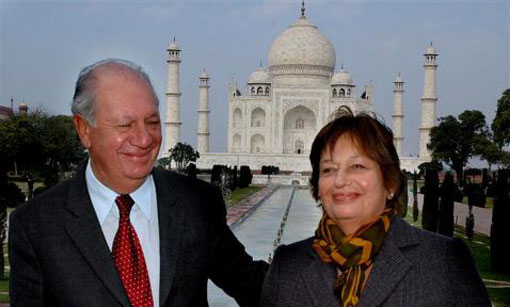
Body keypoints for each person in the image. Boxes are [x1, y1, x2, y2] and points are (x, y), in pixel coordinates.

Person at [9, 59, 268, 307]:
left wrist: (304, 263)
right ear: (84, 130)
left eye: (153, 122)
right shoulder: (37, 225)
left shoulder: (196, 203)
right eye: (125, 125)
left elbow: (254, 286)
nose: (144, 139)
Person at [260, 106, 490, 307]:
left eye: (358, 166)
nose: (340, 181)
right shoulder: (289, 264)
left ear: (390, 182)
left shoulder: (442, 260)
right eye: (328, 169)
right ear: (318, 186)